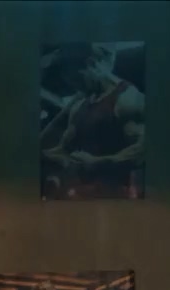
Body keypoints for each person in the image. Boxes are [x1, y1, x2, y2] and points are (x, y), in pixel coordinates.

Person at [40, 43, 146, 200]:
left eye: (75, 78)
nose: (73, 85)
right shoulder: (80, 104)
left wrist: (98, 163)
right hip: (82, 196)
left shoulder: (127, 99)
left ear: (91, 64)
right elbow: (64, 150)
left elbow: (143, 150)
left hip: (115, 197)